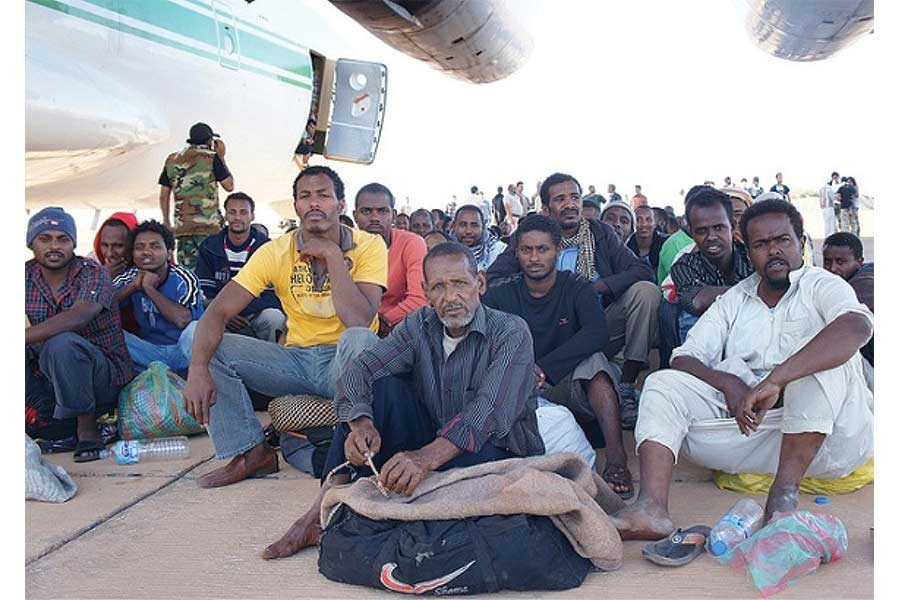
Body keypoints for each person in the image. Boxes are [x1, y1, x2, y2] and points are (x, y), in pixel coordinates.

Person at [261, 242, 545, 560]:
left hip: (494, 453)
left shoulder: (510, 331)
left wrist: (423, 459)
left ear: (479, 283)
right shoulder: (418, 325)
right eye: (438, 287)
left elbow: (488, 411)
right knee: (378, 393)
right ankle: (316, 515)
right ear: (424, 291)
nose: (451, 298)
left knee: (469, 506)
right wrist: (360, 424)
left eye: (460, 284)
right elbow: (361, 370)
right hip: (432, 444)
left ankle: (400, 501)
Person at [612, 198, 873, 540]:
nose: (773, 251)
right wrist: (728, 383)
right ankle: (651, 508)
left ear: (802, 242)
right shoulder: (735, 299)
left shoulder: (822, 284)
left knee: (824, 362)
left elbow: (856, 328)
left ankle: (781, 499)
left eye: (783, 240)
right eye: (761, 244)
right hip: (752, 432)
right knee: (662, 383)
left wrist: (777, 380)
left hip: (827, 440)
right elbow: (683, 357)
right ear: (747, 251)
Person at [182, 165, 388, 488]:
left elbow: (360, 319)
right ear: (296, 206)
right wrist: (197, 368)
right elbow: (218, 311)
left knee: (360, 338)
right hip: (297, 362)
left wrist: (333, 256)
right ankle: (251, 452)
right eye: (305, 197)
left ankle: (350, 450)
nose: (314, 203)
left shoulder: (369, 246)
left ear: (341, 204)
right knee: (197, 336)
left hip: (346, 363)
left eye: (323, 195)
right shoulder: (276, 251)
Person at [488, 173, 658, 430]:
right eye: (560, 199)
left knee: (646, 292)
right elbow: (493, 279)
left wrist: (594, 288)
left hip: (598, 325)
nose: (570, 204)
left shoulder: (600, 232)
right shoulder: (533, 238)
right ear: (546, 209)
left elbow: (642, 270)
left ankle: (625, 385)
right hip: (549, 332)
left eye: (575, 197)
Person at [481, 216, 633, 497]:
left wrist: (545, 369)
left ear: (558, 251)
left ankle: (617, 460)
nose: (534, 257)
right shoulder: (500, 294)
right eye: (527, 250)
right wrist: (522, 370)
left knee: (596, 366)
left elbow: (596, 333)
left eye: (543, 249)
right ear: (517, 253)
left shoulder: (576, 286)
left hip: (563, 384)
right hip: (517, 390)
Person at [25, 207, 135, 462]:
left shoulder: (92, 272)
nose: (54, 246)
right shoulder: (23, 276)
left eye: (62, 239)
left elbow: (79, 317)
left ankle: (87, 430)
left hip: (103, 378)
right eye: (45, 239)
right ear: (31, 243)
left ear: (73, 243)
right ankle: (44, 420)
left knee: (62, 343)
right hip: (51, 375)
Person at [113, 220, 205, 372]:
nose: (146, 252)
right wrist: (134, 286)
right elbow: (102, 305)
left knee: (194, 329)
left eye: (155, 246)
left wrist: (149, 289)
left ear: (169, 253)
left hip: (183, 352)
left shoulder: (184, 278)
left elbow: (183, 320)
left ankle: (195, 377)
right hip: (148, 352)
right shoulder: (130, 277)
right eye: (139, 247)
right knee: (107, 333)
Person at [195, 192, 286, 343]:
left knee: (275, 318)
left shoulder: (268, 247)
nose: (237, 217)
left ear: (252, 216)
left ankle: (273, 362)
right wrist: (223, 312)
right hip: (219, 313)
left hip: (256, 311)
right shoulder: (209, 246)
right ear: (225, 216)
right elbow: (204, 290)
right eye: (232, 212)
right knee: (198, 325)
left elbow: (274, 294)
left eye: (243, 212)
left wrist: (235, 309)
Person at [669, 187, 753, 342]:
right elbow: (696, 302)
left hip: (753, 331)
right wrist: (753, 290)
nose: (711, 237)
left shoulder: (751, 256)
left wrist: (710, 292)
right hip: (709, 340)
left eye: (719, 228)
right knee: (687, 317)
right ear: (692, 234)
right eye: (701, 231)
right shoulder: (684, 266)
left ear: (732, 226)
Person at [353, 182, 428, 336]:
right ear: (355, 216)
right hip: (352, 329)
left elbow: (419, 299)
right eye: (366, 211)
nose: (374, 218)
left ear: (393, 215)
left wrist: (382, 322)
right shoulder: (344, 246)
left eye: (382, 211)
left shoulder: (412, 243)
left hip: (400, 329)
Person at [159, 122, 234, 270]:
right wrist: (221, 157)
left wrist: (167, 221)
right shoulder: (211, 158)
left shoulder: (172, 160)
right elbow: (229, 186)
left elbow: (164, 195)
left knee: (188, 274)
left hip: (183, 228)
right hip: (209, 228)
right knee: (212, 273)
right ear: (209, 140)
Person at [823, 232, 873, 367]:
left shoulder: (863, 285)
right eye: (827, 262)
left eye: (841, 262)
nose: (833, 268)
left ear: (859, 262)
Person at [451, 204, 507, 271]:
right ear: (454, 226)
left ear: (483, 227)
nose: (468, 231)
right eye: (463, 225)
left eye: (474, 226)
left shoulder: (500, 251)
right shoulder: (444, 251)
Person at [90, 212, 138, 279]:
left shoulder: (144, 275)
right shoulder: (89, 269)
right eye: (105, 245)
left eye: (118, 246)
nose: (109, 254)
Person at [627, 205, 667, 270]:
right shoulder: (626, 246)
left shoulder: (666, 244)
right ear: (632, 223)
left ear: (655, 224)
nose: (644, 224)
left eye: (648, 219)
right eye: (638, 220)